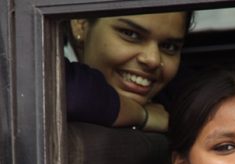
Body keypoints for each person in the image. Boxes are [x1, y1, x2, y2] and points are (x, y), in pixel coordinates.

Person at [65, 11, 193, 132]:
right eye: (130, 34)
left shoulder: (180, 104)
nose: (153, 60)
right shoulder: (49, 65)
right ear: (80, 24)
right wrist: (142, 115)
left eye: (169, 47)